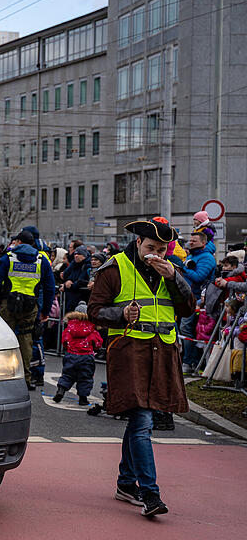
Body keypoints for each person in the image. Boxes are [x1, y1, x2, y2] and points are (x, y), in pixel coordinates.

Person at [88, 217, 194, 517]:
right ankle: (149, 493)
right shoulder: (114, 267)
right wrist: (121, 313)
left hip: (162, 352)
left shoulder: (172, 268)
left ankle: (125, 483)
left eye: (162, 249)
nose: (156, 255)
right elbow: (94, 311)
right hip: (128, 352)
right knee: (143, 422)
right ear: (138, 243)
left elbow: (188, 308)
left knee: (139, 422)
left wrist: (174, 277)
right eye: (151, 247)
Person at [0, 230, 55, 390]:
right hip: (30, 307)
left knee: (4, 340)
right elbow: (49, 287)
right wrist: (45, 310)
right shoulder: (41, 260)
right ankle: (26, 378)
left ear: (18, 242)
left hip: (8, 305)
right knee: (26, 341)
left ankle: (0, 377)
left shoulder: (8, 258)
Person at [178, 228, 217, 373]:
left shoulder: (206, 258)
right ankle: (187, 360)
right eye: (190, 240)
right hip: (187, 296)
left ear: (203, 243)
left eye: (194, 241)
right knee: (184, 329)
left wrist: (182, 268)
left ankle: (189, 362)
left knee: (185, 328)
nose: (191, 242)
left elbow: (199, 277)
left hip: (199, 300)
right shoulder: (192, 256)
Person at [54, 302, 103, 405]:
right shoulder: (92, 329)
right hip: (86, 357)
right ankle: (83, 398)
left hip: (71, 355)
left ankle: (61, 391)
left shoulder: (70, 328)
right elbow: (97, 343)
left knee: (67, 375)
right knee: (85, 377)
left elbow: (64, 341)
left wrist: (70, 348)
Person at [60, 246, 91, 313]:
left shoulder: (87, 265)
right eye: (75, 254)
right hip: (71, 299)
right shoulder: (74, 264)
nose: (76, 256)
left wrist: (68, 286)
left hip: (81, 299)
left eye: (79, 254)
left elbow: (81, 281)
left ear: (84, 256)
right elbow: (65, 275)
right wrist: (68, 281)